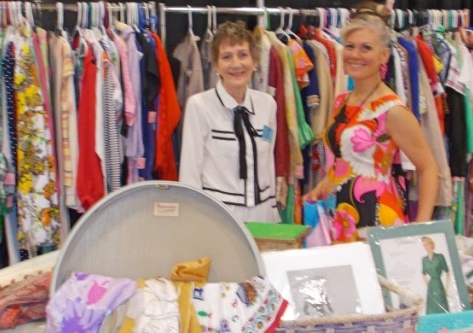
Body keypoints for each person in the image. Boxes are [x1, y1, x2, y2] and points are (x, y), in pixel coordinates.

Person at [306, 2, 440, 235]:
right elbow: (343, 161)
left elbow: (428, 168)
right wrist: (323, 185)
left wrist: (421, 228)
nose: (355, 55)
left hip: (377, 217)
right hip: (341, 216)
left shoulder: (392, 110)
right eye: (350, 46)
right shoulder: (342, 101)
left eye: (366, 48)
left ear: (384, 56)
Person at [179, 21, 280, 223]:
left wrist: (273, 208)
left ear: (255, 61)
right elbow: (190, 172)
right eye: (227, 57)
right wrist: (191, 221)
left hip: (262, 213)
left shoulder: (267, 104)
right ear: (216, 65)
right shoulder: (199, 106)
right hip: (218, 215)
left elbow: (267, 160)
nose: (236, 64)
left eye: (243, 55)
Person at [421, 236, 451, 314]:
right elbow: (423, 274)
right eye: (424, 245)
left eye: (427, 244)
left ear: (431, 244)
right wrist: (428, 285)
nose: (426, 247)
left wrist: (447, 289)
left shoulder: (440, 257)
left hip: (439, 284)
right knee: (432, 307)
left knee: (441, 305)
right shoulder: (424, 260)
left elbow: (447, 272)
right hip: (431, 286)